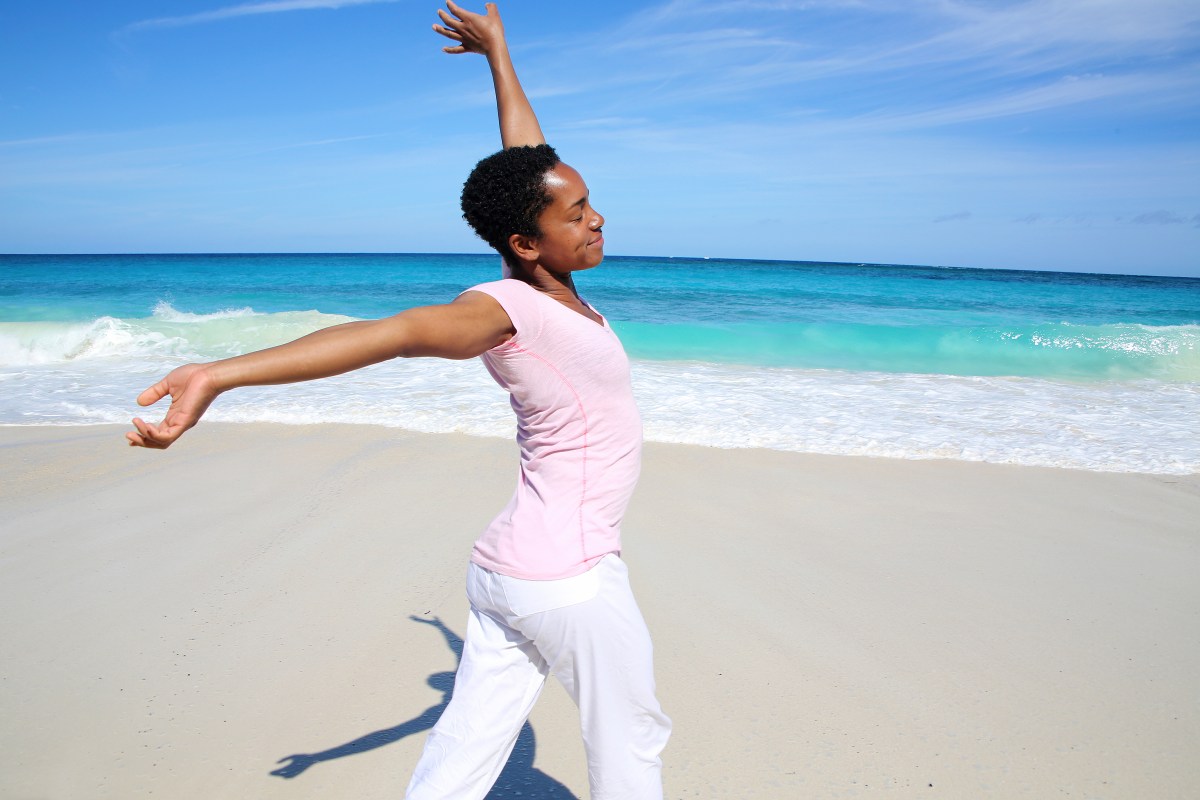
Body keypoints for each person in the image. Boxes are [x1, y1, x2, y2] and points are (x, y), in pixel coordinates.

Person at [126, 2, 671, 798]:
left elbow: (527, 159)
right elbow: (396, 332)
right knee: (631, 736)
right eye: (576, 213)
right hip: (569, 576)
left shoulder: (548, 282)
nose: (596, 219)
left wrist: (498, 54)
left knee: (466, 746)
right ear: (525, 242)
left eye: (591, 202)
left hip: (504, 573)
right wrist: (220, 373)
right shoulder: (506, 308)